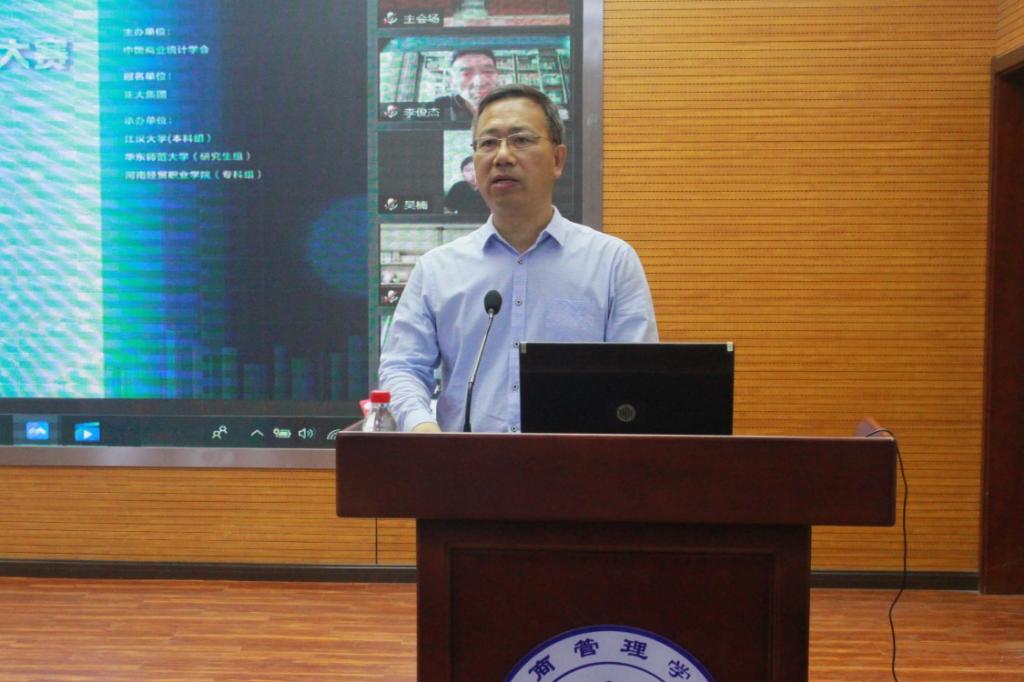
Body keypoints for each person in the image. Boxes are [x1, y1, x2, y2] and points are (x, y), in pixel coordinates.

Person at [379, 84, 658, 433]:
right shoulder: (437, 269)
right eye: (488, 143)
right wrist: (422, 428)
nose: (502, 156)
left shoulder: (611, 262)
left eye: (521, 140)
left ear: (557, 160)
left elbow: (637, 380)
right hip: (465, 463)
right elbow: (402, 367)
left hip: (575, 463)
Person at [432, 49, 501, 122]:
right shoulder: (438, 107)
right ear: (452, 80)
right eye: (466, 74)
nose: (479, 82)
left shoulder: (508, 106)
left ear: (497, 75)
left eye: (488, 72)